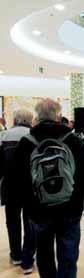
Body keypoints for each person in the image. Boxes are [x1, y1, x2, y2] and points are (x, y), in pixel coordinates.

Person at [9, 98, 84, 278]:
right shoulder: (73, 140)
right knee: (68, 256)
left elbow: (16, 180)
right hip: (71, 208)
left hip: (38, 210)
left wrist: (20, 206)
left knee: (44, 255)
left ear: (37, 117)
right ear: (58, 116)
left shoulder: (26, 143)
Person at [0, 109, 36, 274]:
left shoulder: (4, 136)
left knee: (12, 221)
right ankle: (28, 259)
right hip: (31, 187)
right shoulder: (35, 136)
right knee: (31, 222)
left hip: (10, 185)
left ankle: (16, 254)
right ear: (30, 120)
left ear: (14, 119)